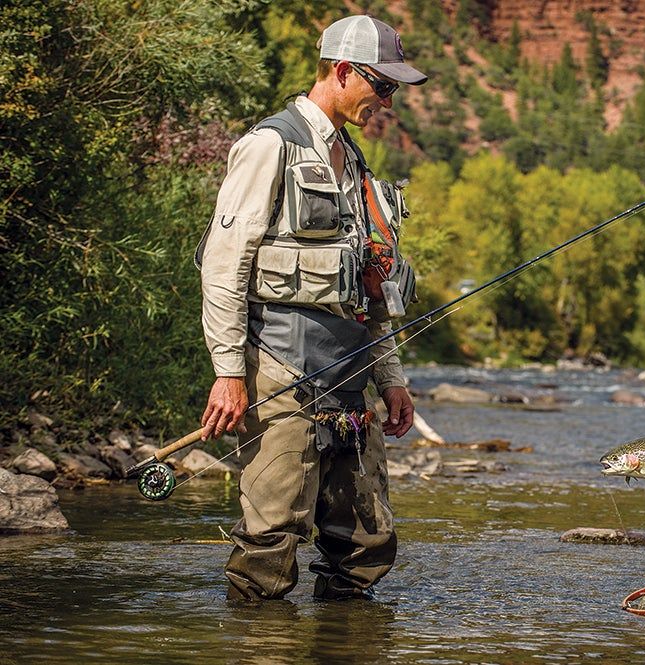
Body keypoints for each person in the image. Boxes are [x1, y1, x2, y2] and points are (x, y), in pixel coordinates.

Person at [195, 14, 427, 601]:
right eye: (384, 87)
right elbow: (224, 269)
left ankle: (341, 645)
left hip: (351, 380)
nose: (388, 102)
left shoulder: (356, 165)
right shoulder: (269, 145)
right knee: (270, 546)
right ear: (344, 71)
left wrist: (391, 379)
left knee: (366, 548)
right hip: (280, 368)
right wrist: (228, 373)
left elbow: (371, 287)